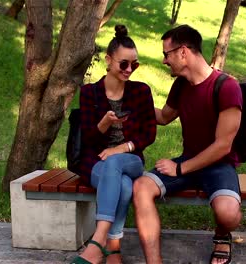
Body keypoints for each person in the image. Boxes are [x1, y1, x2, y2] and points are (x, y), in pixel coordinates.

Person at [132, 24, 243, 264]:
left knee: (228, 214)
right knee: (141, 187)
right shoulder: (181, 85)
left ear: (183, 52)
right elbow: (164, 117)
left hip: (218, 164)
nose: (164, 61)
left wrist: (180, 168)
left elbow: (223, 146)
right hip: (187, 160)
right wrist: (132, 106)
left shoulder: (226, 87)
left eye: (166, 54)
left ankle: (222, 235)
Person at [71, 25, 156, 264]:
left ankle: (97, 241)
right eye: (124, 64)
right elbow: (88, 139)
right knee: (124, 186)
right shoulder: (90, 93)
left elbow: (149, 133)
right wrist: (103, 125)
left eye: (134, 65)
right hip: (95, 161)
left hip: (131, 160)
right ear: (108, 60)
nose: (130, 70)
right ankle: (114, 248)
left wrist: (122, 148)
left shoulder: (141, 91)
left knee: (117, 163)